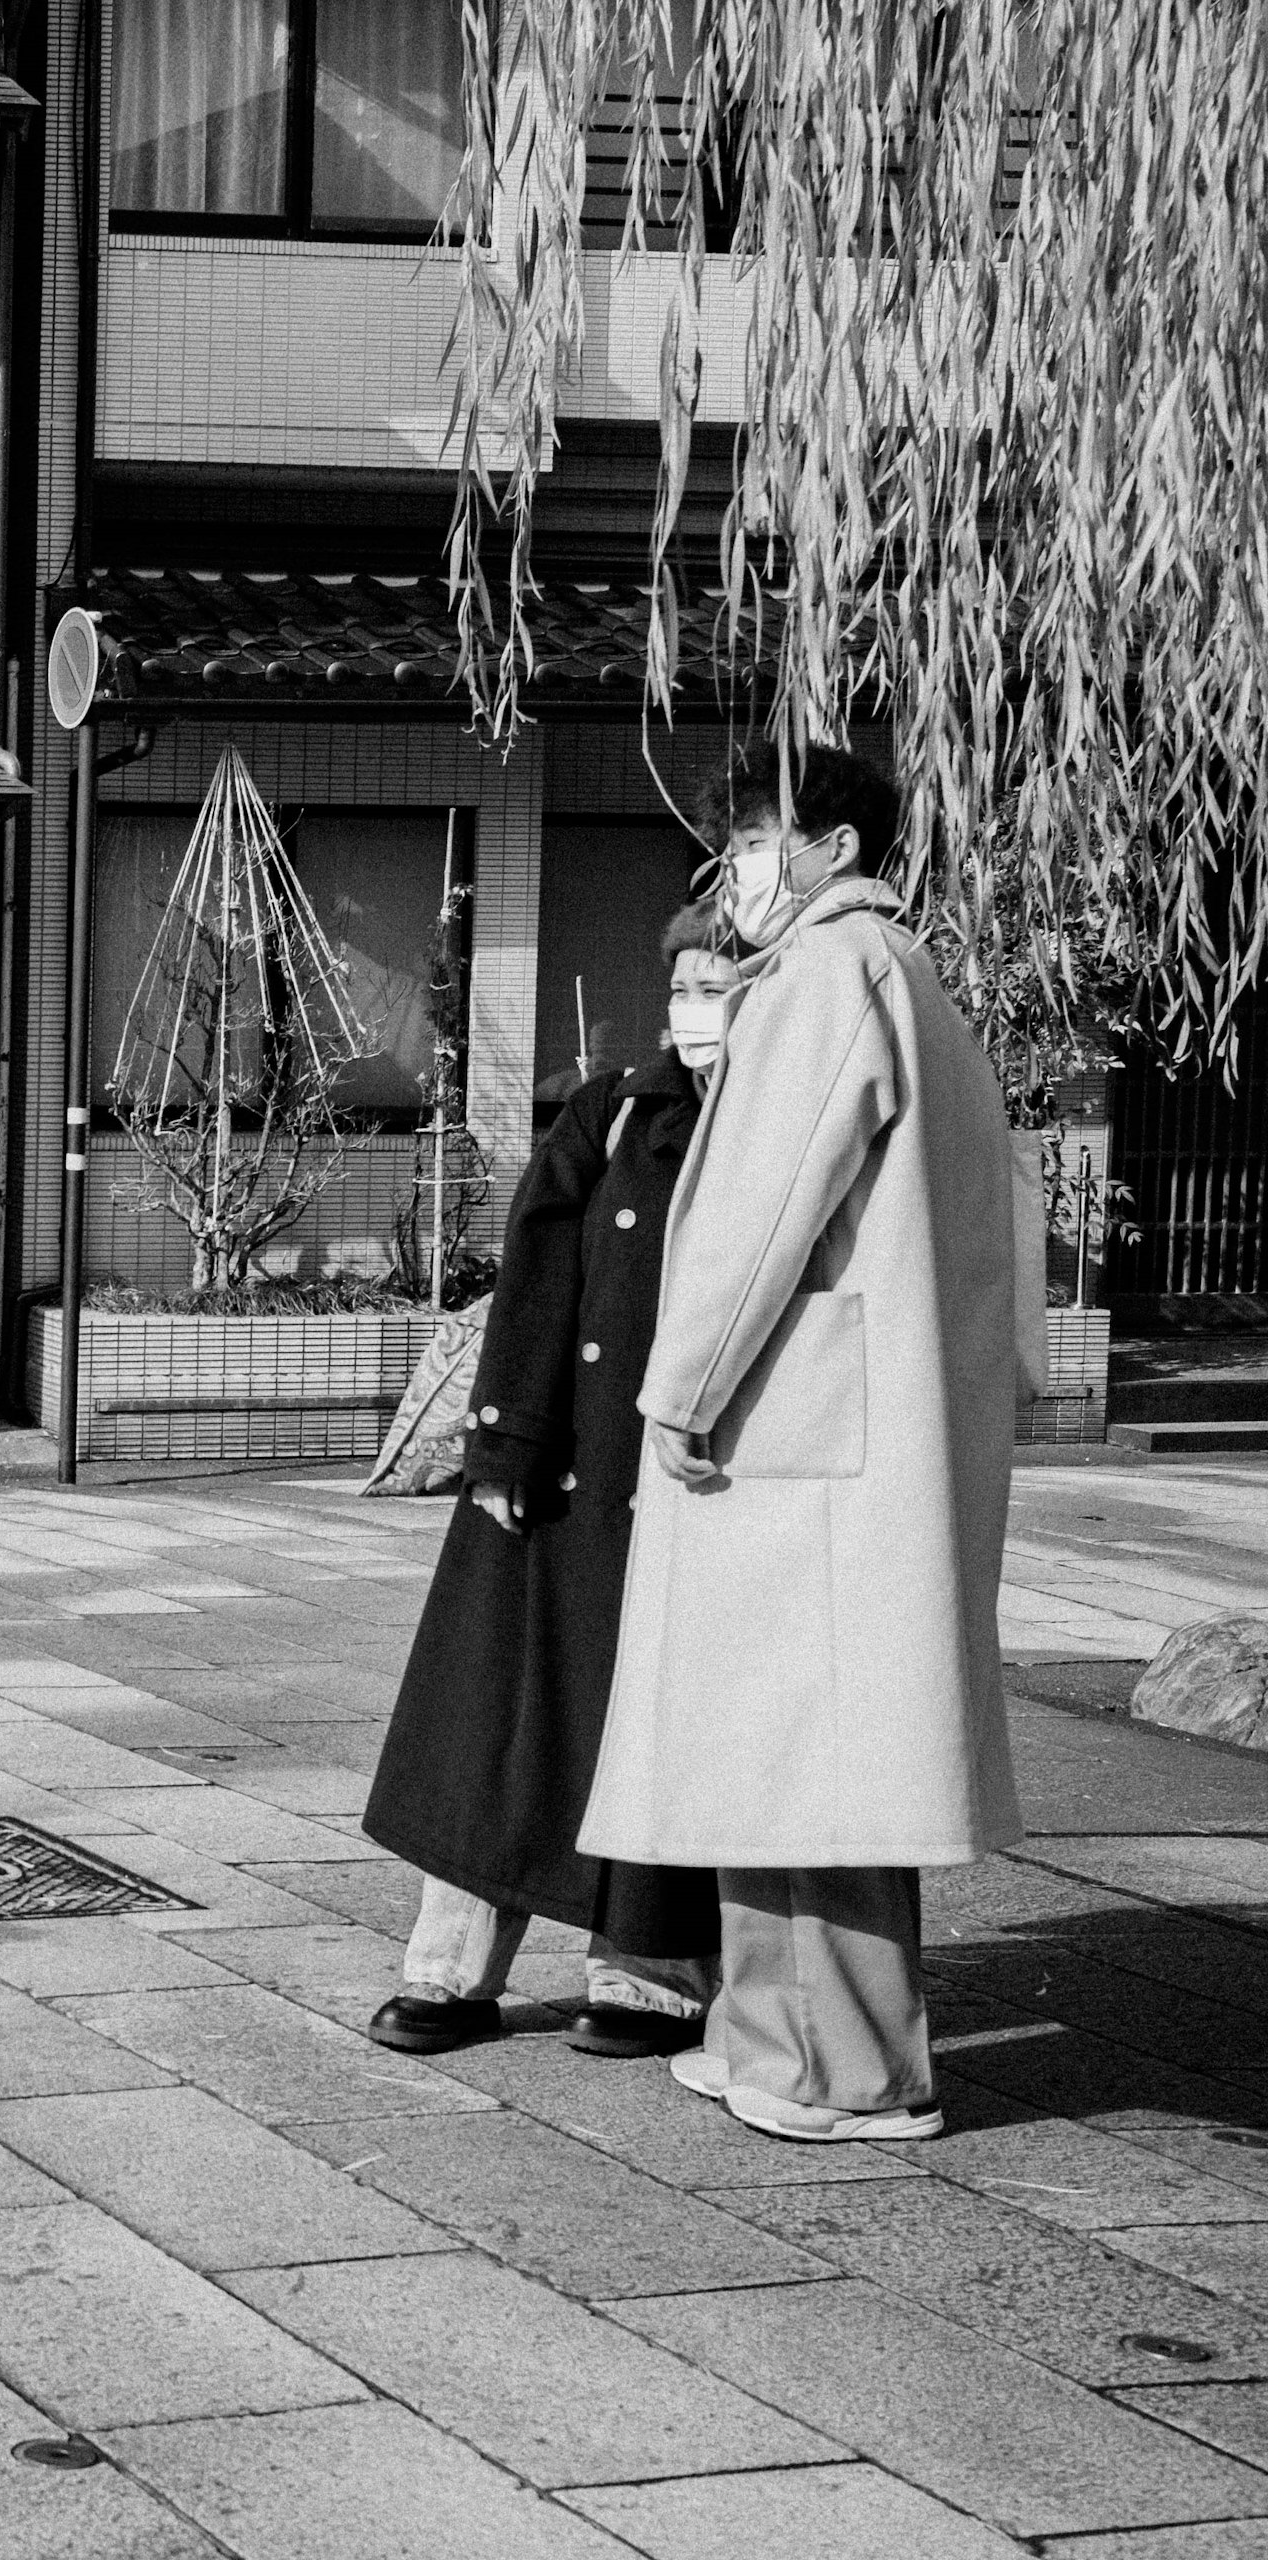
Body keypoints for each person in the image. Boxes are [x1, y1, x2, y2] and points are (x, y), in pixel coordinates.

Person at [582, 739, 1026, 2144]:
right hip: (847, 1423)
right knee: (781, 1754)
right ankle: (769, 2037)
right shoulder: (898, 976)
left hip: (799, 1428)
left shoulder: (829, 975)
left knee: (820, 1757)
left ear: (837, 845)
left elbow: (767, 1212)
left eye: (766, 838)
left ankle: (845, 2070)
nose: (744, 868)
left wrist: (679, 1388)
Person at [363, 910, 739, 2060]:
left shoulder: (778, 1126)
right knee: (501, 1721)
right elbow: (535, 1275)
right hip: (563, 1463)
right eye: (682, 986)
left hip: (688, 1479)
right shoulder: (612, 1109)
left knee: (657, 1722)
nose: (695, 1011)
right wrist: (505, 1441)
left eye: (719, 987)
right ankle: (451, 1963)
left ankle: (650, 1970)